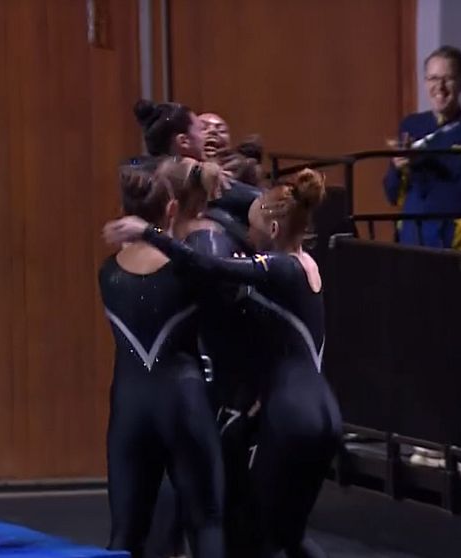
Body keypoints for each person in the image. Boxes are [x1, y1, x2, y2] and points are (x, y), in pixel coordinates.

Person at [104, 168, 343, 558]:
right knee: (289, 535)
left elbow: (212, 267)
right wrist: (204, 174)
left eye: (253, 229)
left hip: (292, 415)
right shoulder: (305, 264)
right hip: (324, 410)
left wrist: (150, 232)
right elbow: (259, 203)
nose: (246, 236)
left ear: (275, 229)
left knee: (258, 537)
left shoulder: (280, 267)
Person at [99, 164, 225, 558]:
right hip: (182, 400)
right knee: (206, 522)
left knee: (125, 534)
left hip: (129, 408)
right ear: (171, 209)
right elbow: (209, 270)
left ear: (124, 211)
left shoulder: (107, 274)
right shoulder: (187, 272)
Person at [383, 45, 461, 249]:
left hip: (451, 240)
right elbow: (391, 194)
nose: (440, 87)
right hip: (411, 236)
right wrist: (397, 168)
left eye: (448, 78)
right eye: (433, 78)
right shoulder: (411, 125)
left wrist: (427, 161)